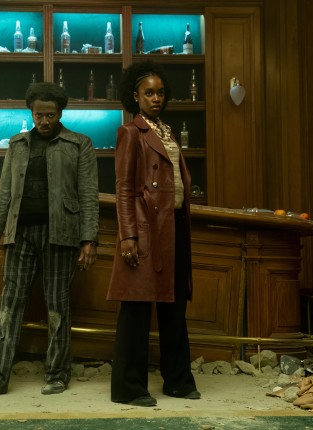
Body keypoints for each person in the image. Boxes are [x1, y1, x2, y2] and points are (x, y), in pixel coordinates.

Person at [0, 82, 99, 396]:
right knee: (9, 303)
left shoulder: (79, 144)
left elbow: (88, 195)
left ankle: (57, 374)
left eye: (50, 115)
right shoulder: (17, 144)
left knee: (57, 305)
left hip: (61, 234)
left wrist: (89, 239)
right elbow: (5, 190)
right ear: (31, 112)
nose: (44, 121)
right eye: (39, 115)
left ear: (60, 114)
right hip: (19, 233)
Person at [107, 61, 200, 407]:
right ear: (135, 96)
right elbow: (124, 189)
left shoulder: (167, 131)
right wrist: (129, 236)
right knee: (135, 309)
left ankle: (177, 381)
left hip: (173, 227)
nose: (156, 98)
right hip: (146, 229)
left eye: (160, 92)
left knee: (174, 307)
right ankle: (128, 388)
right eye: (148, 93)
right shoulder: (131, 132)